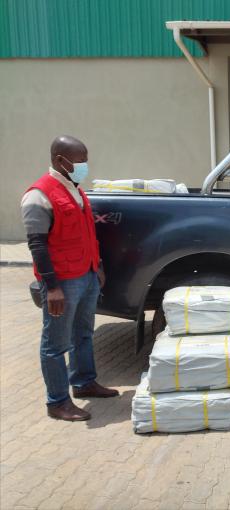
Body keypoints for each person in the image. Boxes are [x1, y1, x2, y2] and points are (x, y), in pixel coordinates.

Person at [21, 135, 119, 421]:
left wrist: (96, 265)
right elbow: (37, 245)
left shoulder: (74, 189)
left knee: (83, 334)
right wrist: (51, 287)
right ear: (59, 160)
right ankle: (57, 402)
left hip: (86, 275)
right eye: (79, 160)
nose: (84, 165)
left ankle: (84, 382)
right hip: (62, 282)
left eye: (85, 159)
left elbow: (85, 233)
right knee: (55, 345)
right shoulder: (39, 195)